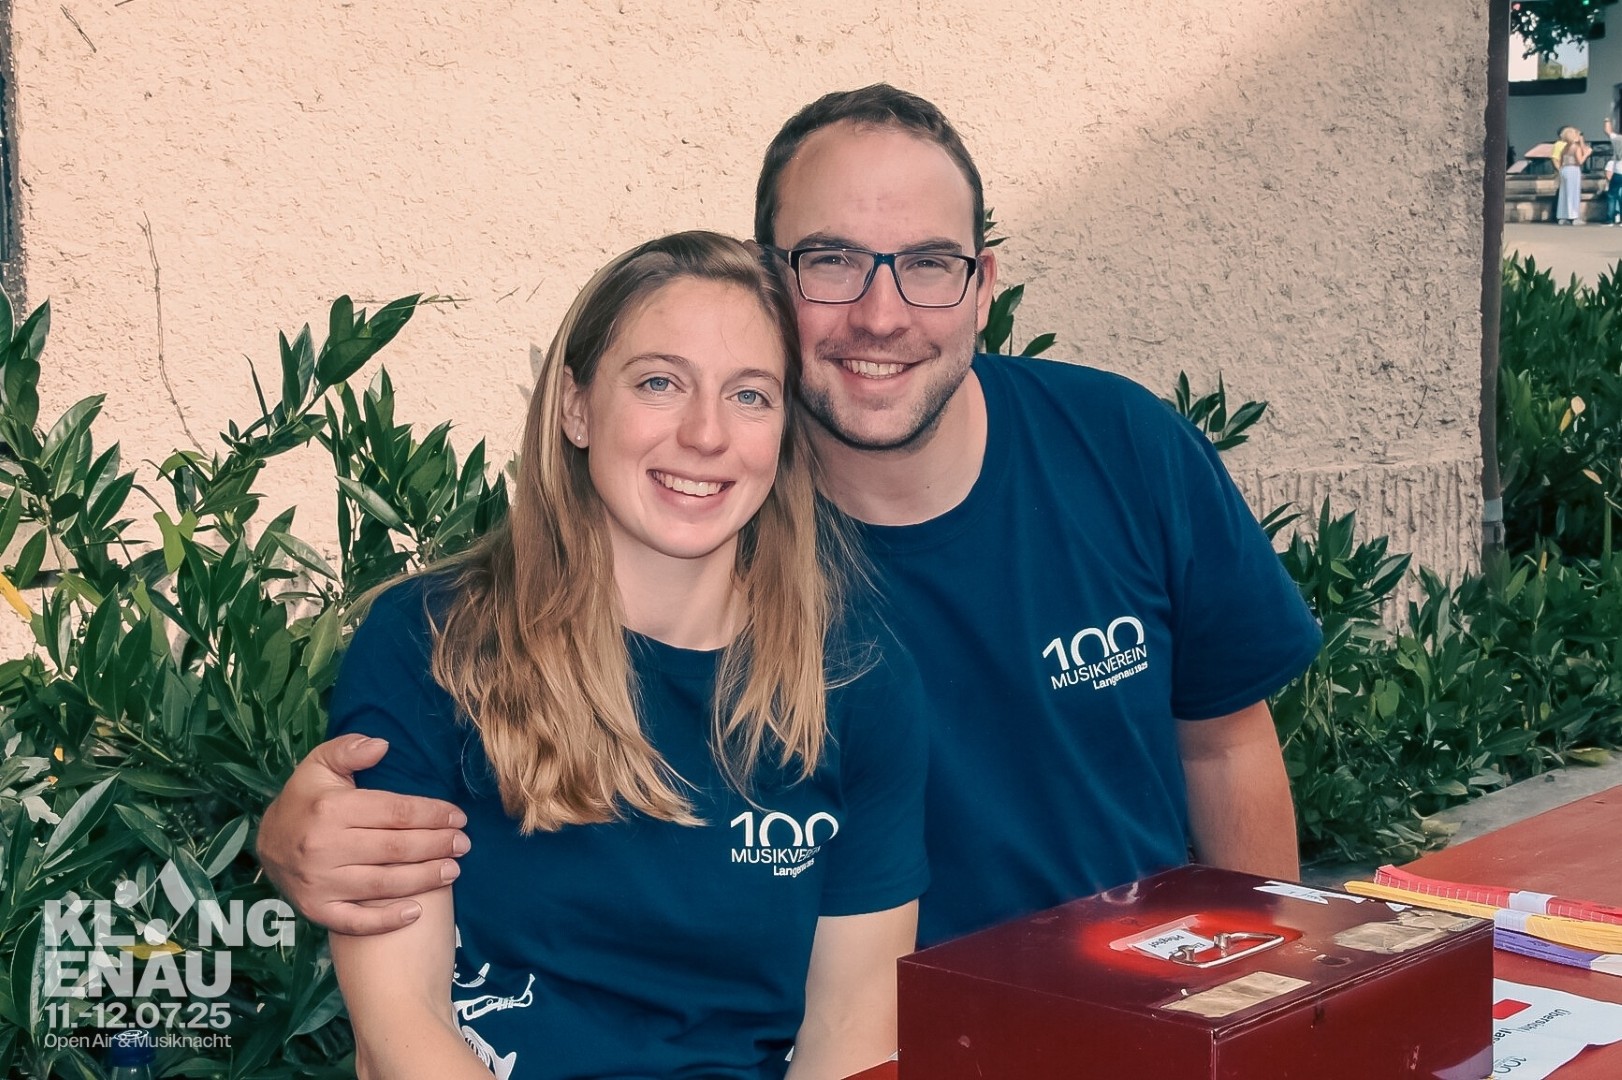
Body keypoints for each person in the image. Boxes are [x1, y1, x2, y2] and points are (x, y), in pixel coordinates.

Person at [258, 86, 1320, 956]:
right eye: (831, 260)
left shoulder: (1123, 446)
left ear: (982, 285)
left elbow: (1224, 751)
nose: (880, 314)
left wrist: (1269, 991)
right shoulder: (701, 516)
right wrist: (306, 836)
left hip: (1136, 1017)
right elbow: (519, 696)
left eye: (928, 264)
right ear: (767, 280)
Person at [322, 231, 928, 1079]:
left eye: (751, 395)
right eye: (658, 383)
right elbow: (399, 1030)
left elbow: (850, 1038)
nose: (707, 433)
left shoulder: (855, 680)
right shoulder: (431, 645)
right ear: (575, 407)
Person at [1555, 125, 1590, 224]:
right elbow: (1580, 161)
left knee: (1564, 193)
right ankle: (1574, 216)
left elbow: (1561, 160)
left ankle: (1562, 216)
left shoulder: (1565, 148)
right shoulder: (1575, 148)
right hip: (1573, 169)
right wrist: (1587, 154)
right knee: (1573, 193)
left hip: (1564, 169)